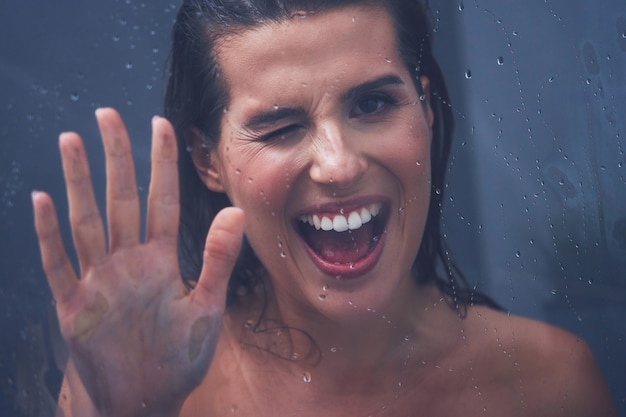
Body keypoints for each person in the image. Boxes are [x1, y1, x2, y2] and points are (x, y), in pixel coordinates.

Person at [32, 0, 616, 416]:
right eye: (280, 128)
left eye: (372, 104)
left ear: (426, 108)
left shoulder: (551, 384)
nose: (337, 165)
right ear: (207, 160)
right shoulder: (155, 384)